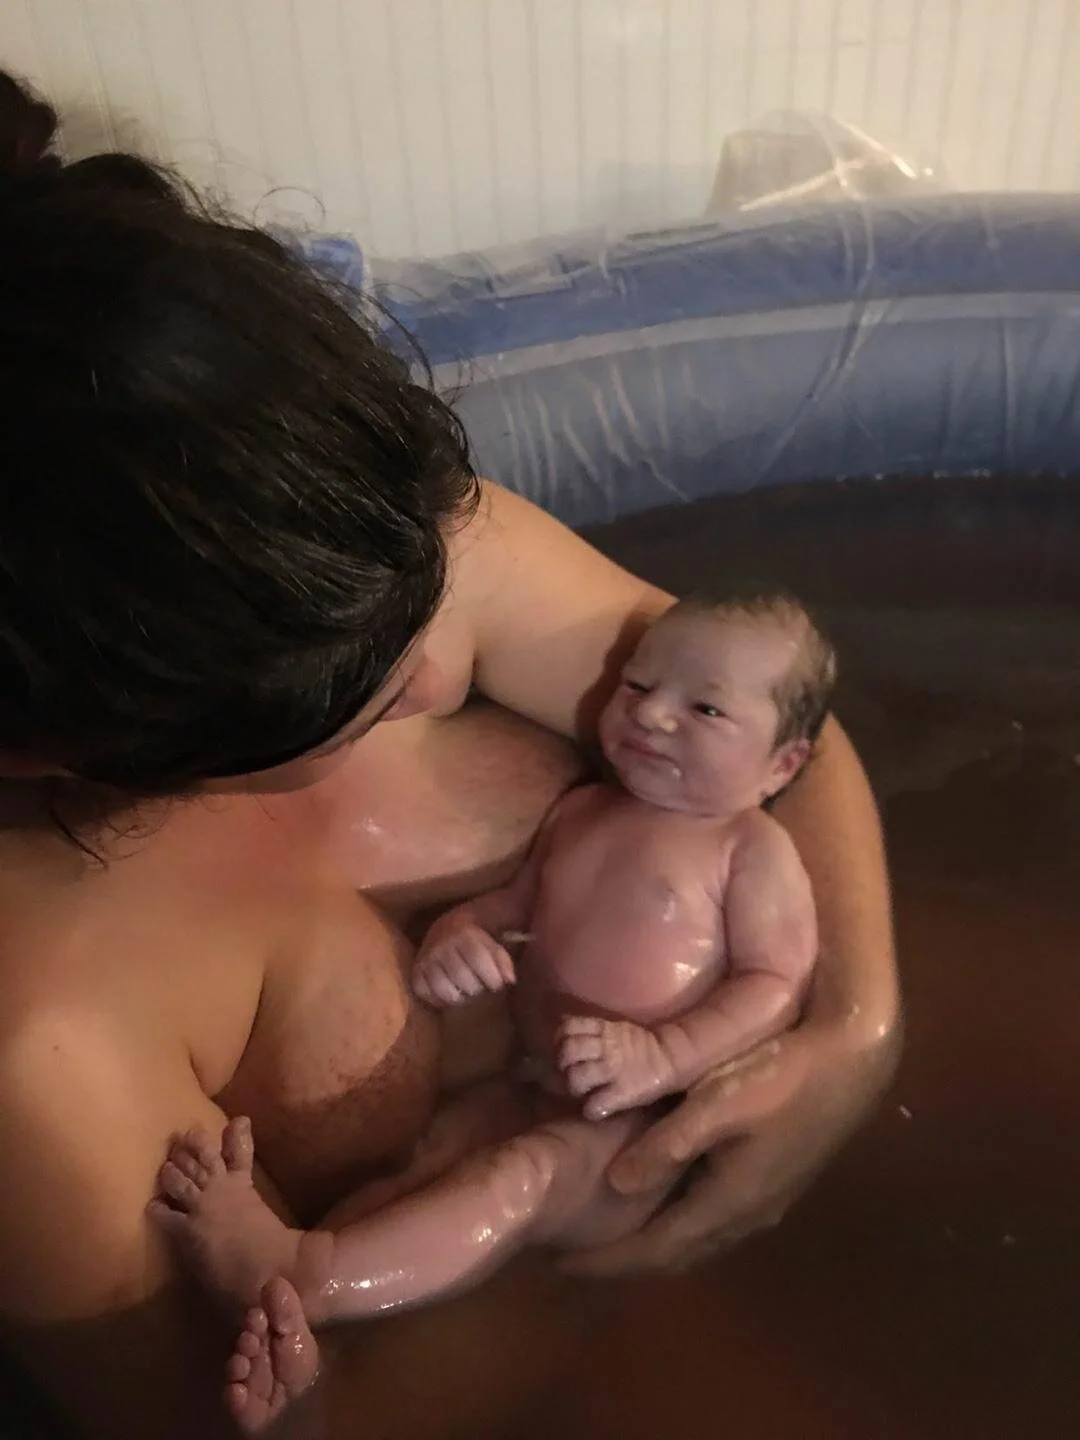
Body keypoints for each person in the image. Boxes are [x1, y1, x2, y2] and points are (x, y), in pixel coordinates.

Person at [0, 69, 897, 1440]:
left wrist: (851, 1039)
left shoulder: (334, 522)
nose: (438, 669)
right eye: (348, 694)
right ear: (61, 747)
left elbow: (783, 725)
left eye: (426, 594)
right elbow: (270, 1412)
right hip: (527, 1310)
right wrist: (591, 1248)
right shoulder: (43, 1044)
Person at [151, 591, 831, 1436]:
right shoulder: (584, 812)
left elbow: (775, 982)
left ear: (783, 765)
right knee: (429, 1166)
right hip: (535, 1077)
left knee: (517, 1182)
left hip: (635, 1128)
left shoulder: (751, 851)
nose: (651, 715)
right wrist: (455, 937)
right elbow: (510, 905)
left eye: (704, 708)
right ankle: (305, 1341)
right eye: (636, 684)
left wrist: (665, 1057)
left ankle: (307, 1270)